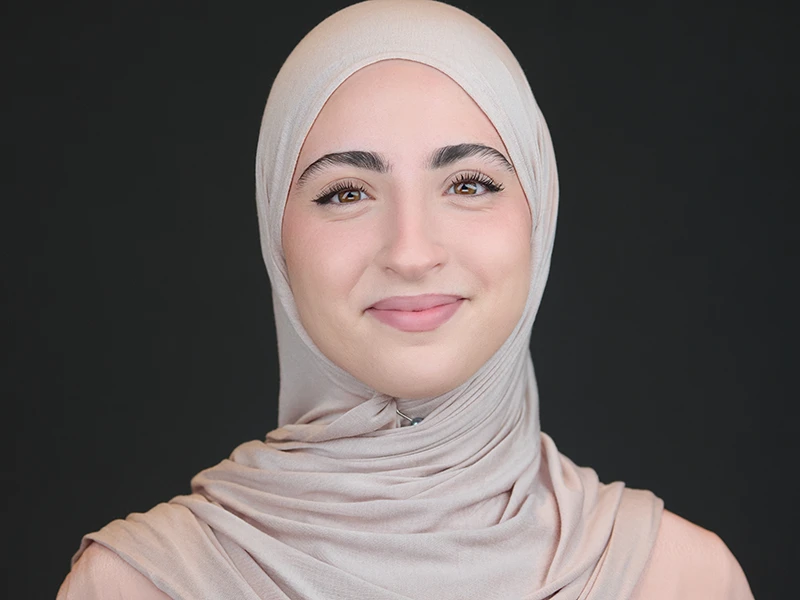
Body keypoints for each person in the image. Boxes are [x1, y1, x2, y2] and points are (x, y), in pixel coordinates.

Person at [57, 1, 754, 598]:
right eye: (347, 193)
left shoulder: (680, 579)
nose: (412, 251)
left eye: (470, 184)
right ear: (278, 235)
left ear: (538, 214)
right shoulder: (136, 585)